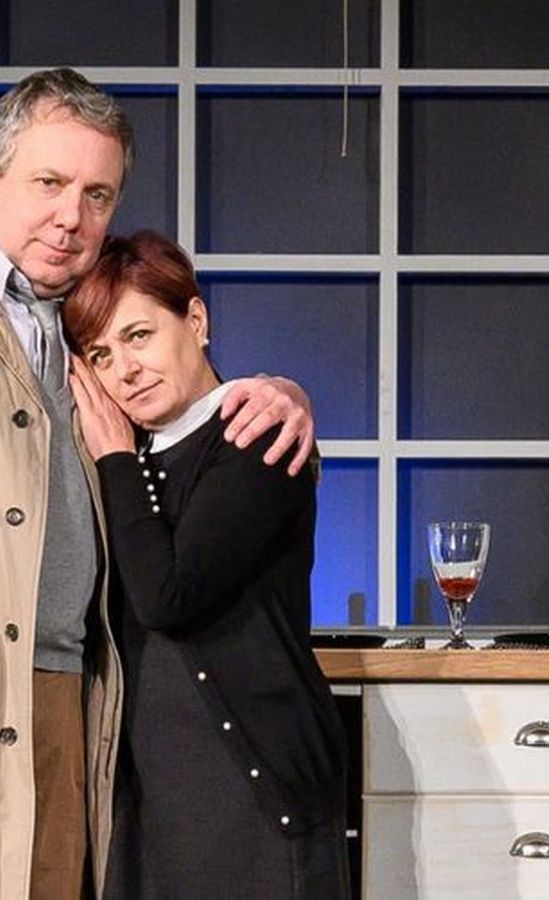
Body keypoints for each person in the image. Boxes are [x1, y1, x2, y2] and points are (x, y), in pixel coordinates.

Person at [0, 68, 315, 900]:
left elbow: (187, 419)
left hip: (76, 697)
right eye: (48, 183)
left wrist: (280, 392)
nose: (71, 216)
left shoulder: (84, 318)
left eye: (97, 195)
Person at [63, 230, 349, 899]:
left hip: (255, 783)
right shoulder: (118, 453)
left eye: (139, 336)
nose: (125, 369)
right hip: (152, 794)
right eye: (101, 355)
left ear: (195, 320)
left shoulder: (257, 429)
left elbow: (168, 595)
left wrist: (115, 458)